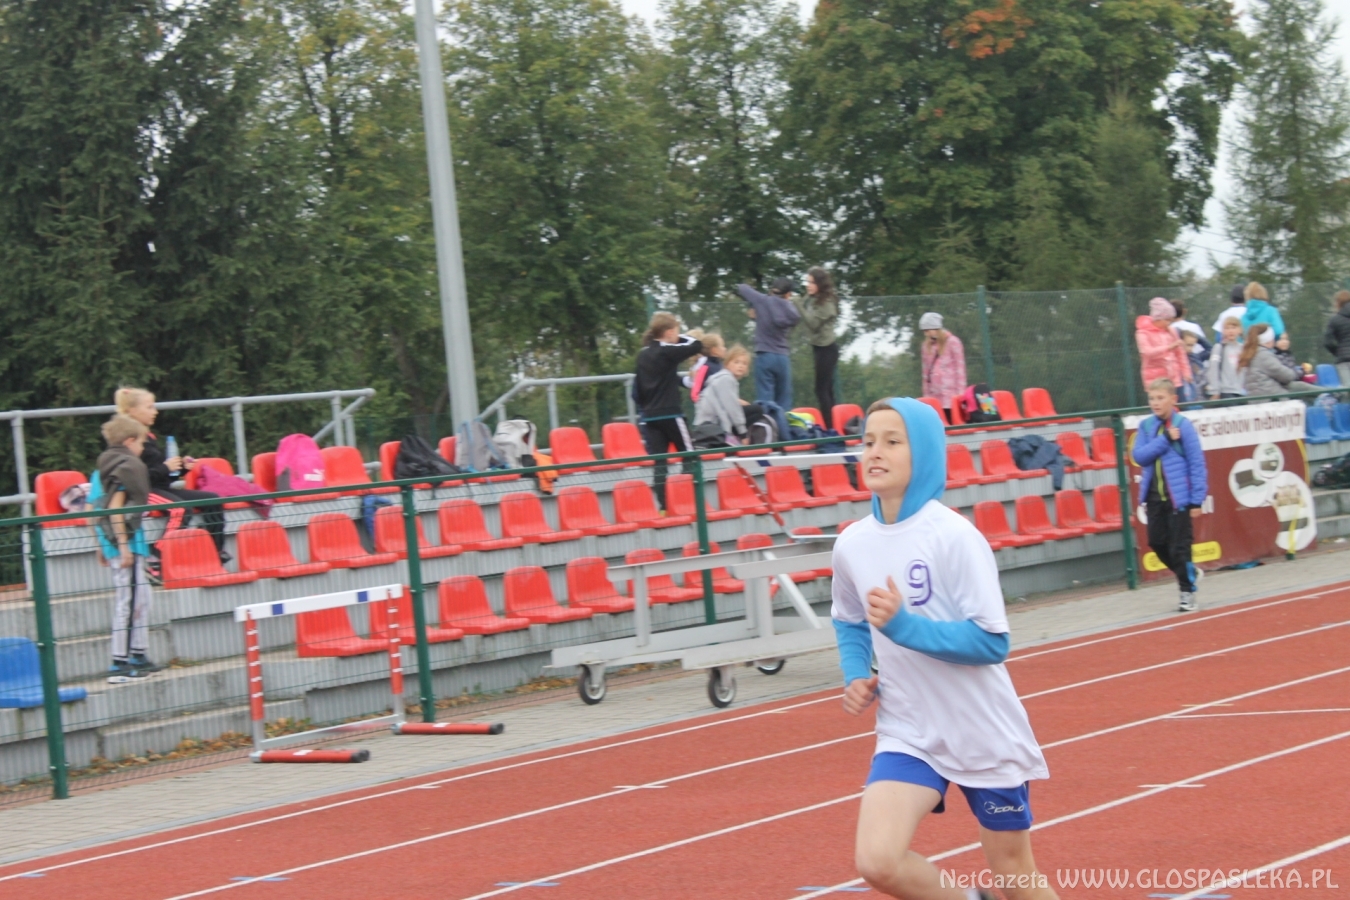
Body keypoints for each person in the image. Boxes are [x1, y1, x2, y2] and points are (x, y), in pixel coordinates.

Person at [833, 397, 1056, 900]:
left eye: (892, 441)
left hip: (980, 730)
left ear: (925, 454)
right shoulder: (852, 543)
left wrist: (904, 627)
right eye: (868, 441)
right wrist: (855, 672)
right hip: (907, 729)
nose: (875, 451)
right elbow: (847, 619)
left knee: (1013, 871)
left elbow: (992, 641)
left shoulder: (954, 536)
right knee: (877, 861)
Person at [115, 387, 228, 573]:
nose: (155, 411)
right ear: (133, 411)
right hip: (145, 491)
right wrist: (165, 467)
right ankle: (157, 555)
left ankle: (215, 552)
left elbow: (162, 474)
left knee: (212, 500)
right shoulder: (129, 441)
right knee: (180, 509)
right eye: (150, 407)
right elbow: (138, 478)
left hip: (161, 488)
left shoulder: (149, 437)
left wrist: (180, 468)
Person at [94, 414, 161, 680]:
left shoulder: (111, 464)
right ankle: (119, 661)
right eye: (141, 443)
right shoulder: (125, 468)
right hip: (127, 544)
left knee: (141, 598)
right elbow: (114, 508)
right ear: (129, 441)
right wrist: (122, 545)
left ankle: (138, 653)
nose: (143, 448)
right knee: (129, 600)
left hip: (130, 543)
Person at [1131, 379, 1208, 612]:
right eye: (1152, 398)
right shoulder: (1146, 427)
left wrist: (1197, 499)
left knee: (1180, 548)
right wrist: (1165, 439)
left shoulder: (1183, 426)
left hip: (1178, 500)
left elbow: (1196, 463)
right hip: (1154, 498)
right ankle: (1189, 573)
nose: (1155, 403)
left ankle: (1187, 592)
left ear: (1173, 399)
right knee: (1156, 542)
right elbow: (1140, 456)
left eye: (1160, 398)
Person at [634, 312, 703, 508]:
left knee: (660, 463)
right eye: (676, 331)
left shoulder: (643, 355)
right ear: (670, 332)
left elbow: (640, 389)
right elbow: (696, 345)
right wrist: (682, 337)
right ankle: (687, 500)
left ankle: (664, 507)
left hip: (650, 417)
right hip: (671, 414)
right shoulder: (667, 351)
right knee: (690, 455)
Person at [736, 277, 801, 412]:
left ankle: (766, 424)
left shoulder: (762, 300)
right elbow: (795, 317)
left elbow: (742, 288)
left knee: (765, 401)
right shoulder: (790, 310)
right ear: (788, 294)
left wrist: (758, 304)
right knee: (784, 401)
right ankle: (783, 425)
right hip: (782, 357)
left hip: (765, 354)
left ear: (773, 289)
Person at [694, 344, 763, 443]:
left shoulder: (724, 379)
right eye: (736, 362)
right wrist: (743, 434)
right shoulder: (726, 379)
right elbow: (732, 409)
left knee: (749, 409)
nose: (740, 366)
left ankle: (735, 434)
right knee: (757, 410)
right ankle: (735, 436)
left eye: (744, 363)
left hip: (712, 420)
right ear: (727, 364)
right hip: (714, 422)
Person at [795, 267, 840, 417]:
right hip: (819, 348)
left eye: (811, 283)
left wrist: (798, 304)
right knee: (826, 389)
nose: (808, 285)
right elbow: (803, 306)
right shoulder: (816, 299)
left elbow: (813, 324)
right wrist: (803, 299)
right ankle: (833, 423)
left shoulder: (826, 303)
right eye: (807, 282)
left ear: (820, 284)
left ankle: (830, 424)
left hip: (827, 349)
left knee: (821, 390)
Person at [918, 312, 967, 423]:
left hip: (951, 395)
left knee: (953, 423)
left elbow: (960, 370)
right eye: (924, 331)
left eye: (927, 330)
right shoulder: (926, 346)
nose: (926, 334)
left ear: (936, 328)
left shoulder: (953, 342)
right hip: (935, 395)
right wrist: (927, 397)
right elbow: (925, 373)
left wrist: (960, 395)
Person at [1239, 324, 1314, 396]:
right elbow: (1287, 376)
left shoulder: (1252, 353)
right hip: (1271, 398)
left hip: (1259, 396)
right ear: (1268, 340)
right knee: (1301, 387)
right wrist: (1300, 372)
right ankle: (1321, 393)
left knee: (1297, 386)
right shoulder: (1264, 355)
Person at [1135, 298, 1192, 394]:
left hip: (1175, 380)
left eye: (1170, 320)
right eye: (1167, 320)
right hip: (1155, 382)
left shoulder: (1171, 331)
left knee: (1180, 402)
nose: (1169, 323)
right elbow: (1147, 353)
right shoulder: (1142, 333)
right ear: (1158, 318)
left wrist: (1186, 372)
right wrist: (1169, 347)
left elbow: (1180, 354)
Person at [1206, 317, 1246, 400]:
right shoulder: (1219, 347)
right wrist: (1215, 391)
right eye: (1227, 328)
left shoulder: (1243, 348)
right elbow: (1213, 369)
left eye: (1233, 328)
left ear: (1240, 330)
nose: (1230, 331)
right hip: (1226, 391)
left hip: (1241, 391)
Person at [1323, 290, 1350, 387]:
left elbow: (1328, 342)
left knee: (1347, 387)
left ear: (1338, 302)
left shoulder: (1334, 319)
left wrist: (1338, 352)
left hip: (1343, 360)